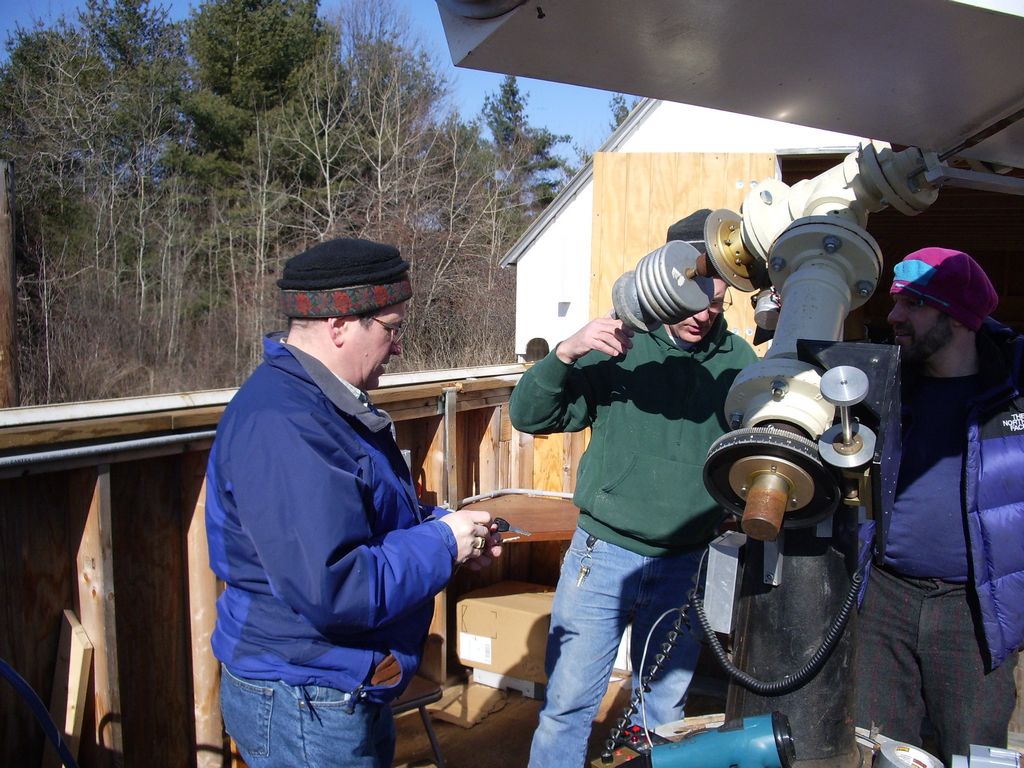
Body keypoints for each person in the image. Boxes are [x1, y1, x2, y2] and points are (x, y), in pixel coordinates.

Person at [205, 237, 502, 767]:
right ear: (340, 325)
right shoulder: (288, 424)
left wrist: (449, 528)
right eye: (391, 328)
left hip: (338, 683)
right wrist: (440, 544)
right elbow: (335, 585)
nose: (398, 347)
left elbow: (357, 519)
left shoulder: (324, 404)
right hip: (303, 697)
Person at [510, 209, 758, 768]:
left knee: (662, 716)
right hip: (602, 559)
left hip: (686, 565)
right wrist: (566, 353)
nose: (704, 315)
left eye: (718, 304)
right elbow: (529, 416)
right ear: (666, 284)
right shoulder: (618, 345)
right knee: (568, 706)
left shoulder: (739, 363)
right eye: (694, 300)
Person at [856, 247, 1023, 765]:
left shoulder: (1013, 391)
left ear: (957, 316)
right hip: (884, 598)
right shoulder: (884, 385)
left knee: (975, 753)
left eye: (914, 304)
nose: (894, 316)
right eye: (895, 302)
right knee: (878, 748)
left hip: (974, 608)